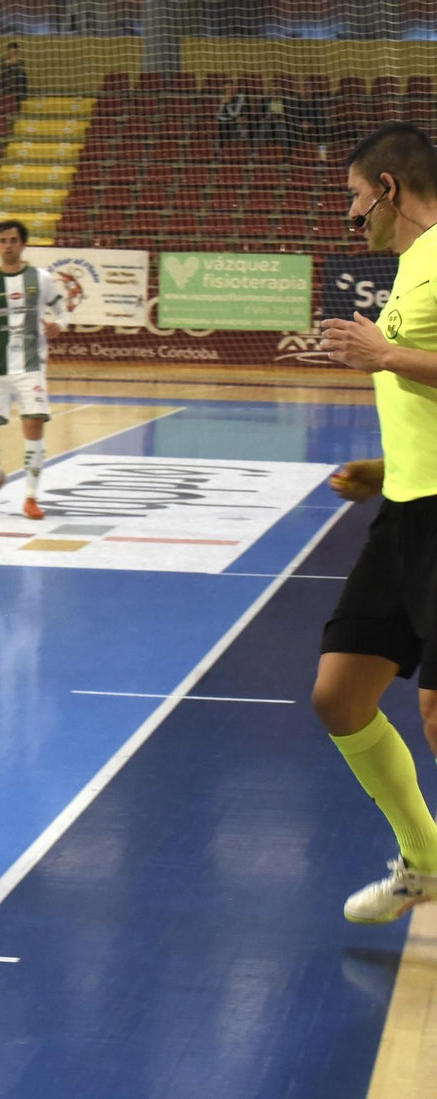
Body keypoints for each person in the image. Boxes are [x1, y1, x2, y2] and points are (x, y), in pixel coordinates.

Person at [315, 123, 437, 925]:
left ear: (389, 190)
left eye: (358, 204)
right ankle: (425, 859)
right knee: (340, 692)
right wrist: (385, 472)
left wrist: (386, 355)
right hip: (408, 512)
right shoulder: (409, 272)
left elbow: (408, 365)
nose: (355, 222)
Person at [0, 218, 67, 520]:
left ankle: (31, 497)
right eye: (3, 240)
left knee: (33, 424)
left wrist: (59, 325)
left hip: (31, 366)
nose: (8, 245)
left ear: (22, 245)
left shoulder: (41, 278)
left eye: (13, 240)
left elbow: (61, 310)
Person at [215, 78, 247, 150]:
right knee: (221, 123)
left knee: (227, 124)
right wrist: (223, 103)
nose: (228, 91)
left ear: (234, 88)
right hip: (226, 121)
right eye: (227, 90)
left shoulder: (240, 97)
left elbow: (235, 114)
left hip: (237, 122)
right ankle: (221, 149)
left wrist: (227, 104)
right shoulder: (225, 98)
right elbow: (218, 115)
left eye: (230, 89)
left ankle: (227, 148)